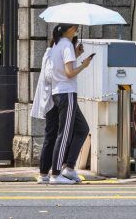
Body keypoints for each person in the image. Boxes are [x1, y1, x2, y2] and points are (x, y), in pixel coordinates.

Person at [32, 31, 84, 184]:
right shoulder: (53, 51)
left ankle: (59, 170)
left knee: (75, 129)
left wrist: (75, 56)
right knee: (56, 134)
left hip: (55, 96)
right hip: (56, 96)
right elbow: (53, 74)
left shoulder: (55, 50)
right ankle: (54, 172)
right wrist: (80, 65)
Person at [48, 24, 93, 184]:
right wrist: (84, 65)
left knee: (82, 129)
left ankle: (69, 167)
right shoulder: (66, 45)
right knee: (64, 134)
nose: (77, 29)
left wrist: (76, 54)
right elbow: (69, 73)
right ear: (69, 29)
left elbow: (62, 67)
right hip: (67, 93)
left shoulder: (58, 44)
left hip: (60, 92)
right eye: (75, 27)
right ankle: (56, 174)